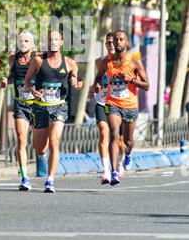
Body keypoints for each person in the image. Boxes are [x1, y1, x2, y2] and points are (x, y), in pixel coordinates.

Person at [25, 30, 83, 193]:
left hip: (59, 106)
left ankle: (50, 180)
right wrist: (33, 91)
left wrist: (77, 82)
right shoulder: (38, 61)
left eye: (56, 39)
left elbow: (78, 81)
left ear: (62, 42)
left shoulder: (70, 63)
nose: (53, 42)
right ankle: (42, 155)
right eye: (50, 39)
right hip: (40, 106)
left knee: (54, 141)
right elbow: (27, 80)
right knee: (40, 149)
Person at [93, 30, 149, 185]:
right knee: (113, 134)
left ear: (126, 43)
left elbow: (147, 85)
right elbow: (99, 75)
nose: (118, 42)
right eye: (115, 40)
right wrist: (96, 83)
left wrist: (132, 80)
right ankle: (114, 172)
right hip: (113, 104)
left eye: (121, 40)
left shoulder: (134, 62)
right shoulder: (107, 62)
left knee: (129, 141)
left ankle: (128, 154)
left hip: (130, 106)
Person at [1, 31, 37, 191]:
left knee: (39, 145)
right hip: (20, 103)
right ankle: (24, 177)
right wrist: (5, 81)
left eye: (27, 41)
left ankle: (42, 156)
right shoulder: (12, 59)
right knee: (21, 139)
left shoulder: (39, 59)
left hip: (37, 104)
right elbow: (11, 77)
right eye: (21, 41)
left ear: (32, 44)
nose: (23, 43)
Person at [89, 32, 126, 185]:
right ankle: (106, 171)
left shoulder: (124, 62)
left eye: (113, 42)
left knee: (119, 140)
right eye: (108, 43)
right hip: (102, 102)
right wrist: (95, 86)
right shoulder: (99, 62)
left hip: (118, 104)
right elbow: (97, 79)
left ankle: (121, 162)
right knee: (104, 134)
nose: (111, 45)